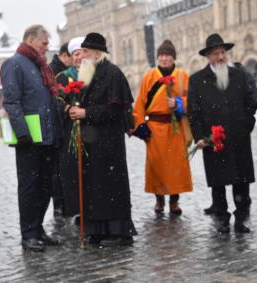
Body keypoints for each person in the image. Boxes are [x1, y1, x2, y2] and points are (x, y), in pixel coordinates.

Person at [67, 32, 137, 246]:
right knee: (94, 187)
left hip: (109, 144)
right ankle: (96, 229)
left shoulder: (112, 73)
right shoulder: (87, 72)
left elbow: (115, 110)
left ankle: (118, 231)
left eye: (85, 51)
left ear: (97, 52)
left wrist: (86, 114)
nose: (82, 55)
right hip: (91, 142)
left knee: (111, 187)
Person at [187, 34, 257, 233]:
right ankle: (221, 218)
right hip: (213, 139)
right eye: (215, 53)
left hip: (239, 137)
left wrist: (247, 124)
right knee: (218, 182)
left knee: (242, 181)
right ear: (208, 57)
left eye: (222, 52)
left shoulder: (240, 75)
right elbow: (193, 112)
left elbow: (252, 102)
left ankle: (241, 218)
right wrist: (200, 136)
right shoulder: (197, 80)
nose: (220, 57)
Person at [0, 25, 62, 252]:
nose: (47, 48)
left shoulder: (40, 65)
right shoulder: (14, 64)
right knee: (29, 187)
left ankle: (38, 229)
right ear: (30, 40)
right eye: (44, 43)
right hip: (29, 139)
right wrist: (22, 132)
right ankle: (28, 234)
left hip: (47, 136)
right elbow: (12, 101)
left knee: (45, 186)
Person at [132, 39, 193, 214]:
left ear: (174, 58)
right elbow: (140, 104)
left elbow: (193, 100)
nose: (164, 59)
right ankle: (159, 200)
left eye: (168, 55)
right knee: (156, 165)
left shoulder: (182, 76)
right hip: (155, 128)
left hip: (175, 128)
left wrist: (179, 103)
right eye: (161, 55)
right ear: (158, 58)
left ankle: (174, 200)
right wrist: (140, 125)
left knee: (176, 167)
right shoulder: (149, 77)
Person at [55, 36, 85, 218]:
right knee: (73, 172)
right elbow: (55, 99)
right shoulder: (63, 77)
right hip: (69, 131)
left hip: (91, 131)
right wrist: (67, 108)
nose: (78, 58)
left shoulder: (95, 74)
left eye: (81, 53)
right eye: (75, 54)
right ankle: (76, 210)